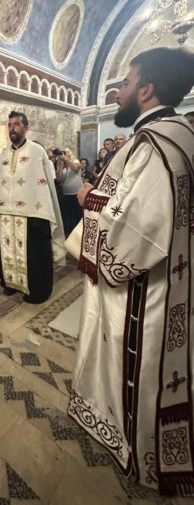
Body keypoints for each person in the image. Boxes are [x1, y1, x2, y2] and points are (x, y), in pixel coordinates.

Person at [69, 47, 194, 496]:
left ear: (147, 90)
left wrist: (87, 200)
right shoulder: (184, 134)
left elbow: (132, 229)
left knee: (144, 369)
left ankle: (140, 449)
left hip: (149, 289)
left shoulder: (152, 145)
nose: (117, 91)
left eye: (125, 82)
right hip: (179, 275)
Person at [0, 111, 65, 303]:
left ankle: (36, 290)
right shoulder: (3, 154)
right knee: (7, 249)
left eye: (16, 124)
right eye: (9, 125)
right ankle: (11, 284)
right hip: (7, 215)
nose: (12, 129)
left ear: (26, 127)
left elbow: (46, 185)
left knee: (33, 253)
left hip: (32, 214)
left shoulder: (37, 151)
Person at [56, 147, 83, 236]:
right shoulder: (61, 164)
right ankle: (69, 235)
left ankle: (78, 234)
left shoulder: (75, 161)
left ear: (71, 153)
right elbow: (59, 179)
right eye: (63, 152)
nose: (64, 154)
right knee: (68, 217)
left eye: (67, 152)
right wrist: (60, 165)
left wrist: (66, 159)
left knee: (77, 216)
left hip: (77, 193)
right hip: (66, 194)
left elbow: (76, 168)